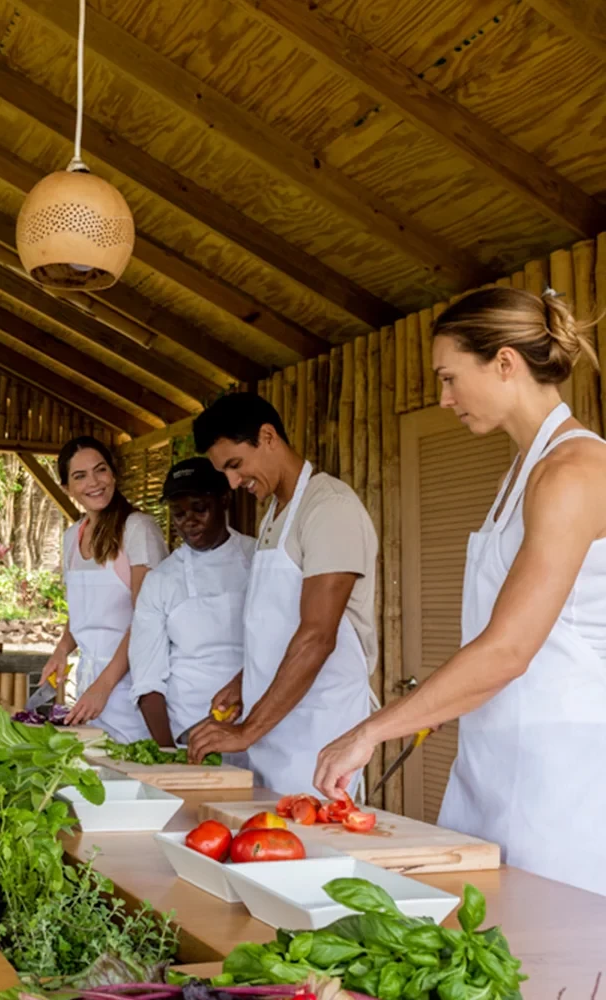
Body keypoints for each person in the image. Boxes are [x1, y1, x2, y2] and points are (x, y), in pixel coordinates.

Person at [316, 287, 606, 895]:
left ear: (505, 363)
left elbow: (508, 650)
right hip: (493, 759)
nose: (445, 399)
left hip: (562, 778)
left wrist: (369, 731)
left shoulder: (574, 471)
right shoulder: (524, 471)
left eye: (449, 378)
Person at [187, 394, 377, 797]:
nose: (233, 483)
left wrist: (246, 731)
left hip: (318, 735)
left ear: (268, 436)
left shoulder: (329, 508)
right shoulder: (275, 512)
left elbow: (317, 637)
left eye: (235, 466)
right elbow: (276, 625)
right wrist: (244, 680)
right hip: (272, 727)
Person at [41, 437, 167, 742]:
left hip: (132, 688)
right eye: (80, 476)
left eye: (100, 470)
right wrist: (61, 649)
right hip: (89, 685)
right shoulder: (73, 537)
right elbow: (83, 612)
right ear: (66, 488)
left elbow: (146, 620)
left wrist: (105, 686)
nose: (94, 483)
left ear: (114, 473)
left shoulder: (138, 529)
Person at [128, 458, 255, 755]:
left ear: (224, 500)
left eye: (199, 508)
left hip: (261, 724)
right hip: (189, 732)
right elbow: (148, 677)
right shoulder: (161, 580)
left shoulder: (259, 558)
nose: (189, 521)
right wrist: (168, 752)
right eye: (179, 513)